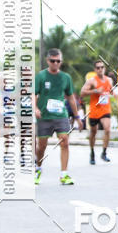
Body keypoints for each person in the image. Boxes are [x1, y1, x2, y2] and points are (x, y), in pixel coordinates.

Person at [34, 48, 82, 185]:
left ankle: (64, 174)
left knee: (64, 141)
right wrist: (35, 108)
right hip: (44, 116)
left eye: (58, 61)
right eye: (52, 61)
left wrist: (77, 117)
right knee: (41, 147)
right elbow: (33, 94)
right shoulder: (41, 76)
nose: (55, 63)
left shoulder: (66, 78)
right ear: (47, 61)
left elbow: (71, 98)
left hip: (61, 115)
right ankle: (38, 168)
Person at [80, 60, 114, 164]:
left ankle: (104, 152)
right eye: (98, 68)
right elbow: (82, 93)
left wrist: (111, 92)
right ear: (95, 70)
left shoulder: (109, 80)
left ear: (104, 68)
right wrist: (95, 91)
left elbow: (110, 90)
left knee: (107, 129)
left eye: (102, 67)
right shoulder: (91, 81)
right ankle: (92, 152)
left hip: (105, 109)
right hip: (94, 110)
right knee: (93, 132)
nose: (100, 69)